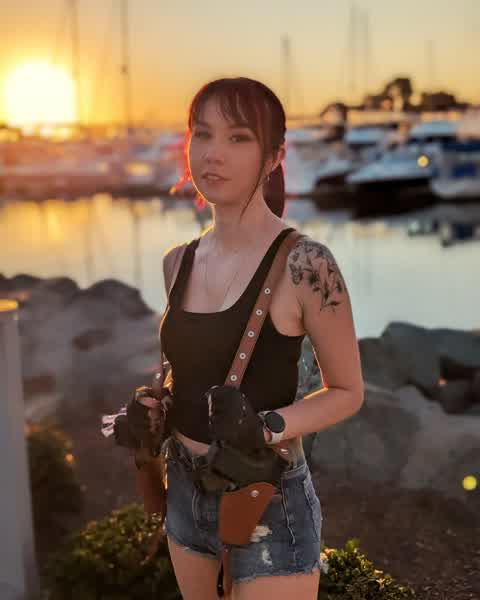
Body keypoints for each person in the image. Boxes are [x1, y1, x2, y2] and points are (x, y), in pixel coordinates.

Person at [134, 77, 364, 600]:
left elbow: (348, 391)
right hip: (184, 493)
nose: (213, 153)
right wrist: (155, 407)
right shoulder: (178, 261)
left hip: (267, 500)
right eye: (202, 134)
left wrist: (265, 426)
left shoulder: (307, 264)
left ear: (274, 156)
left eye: (238, 137)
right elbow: (185, 371)